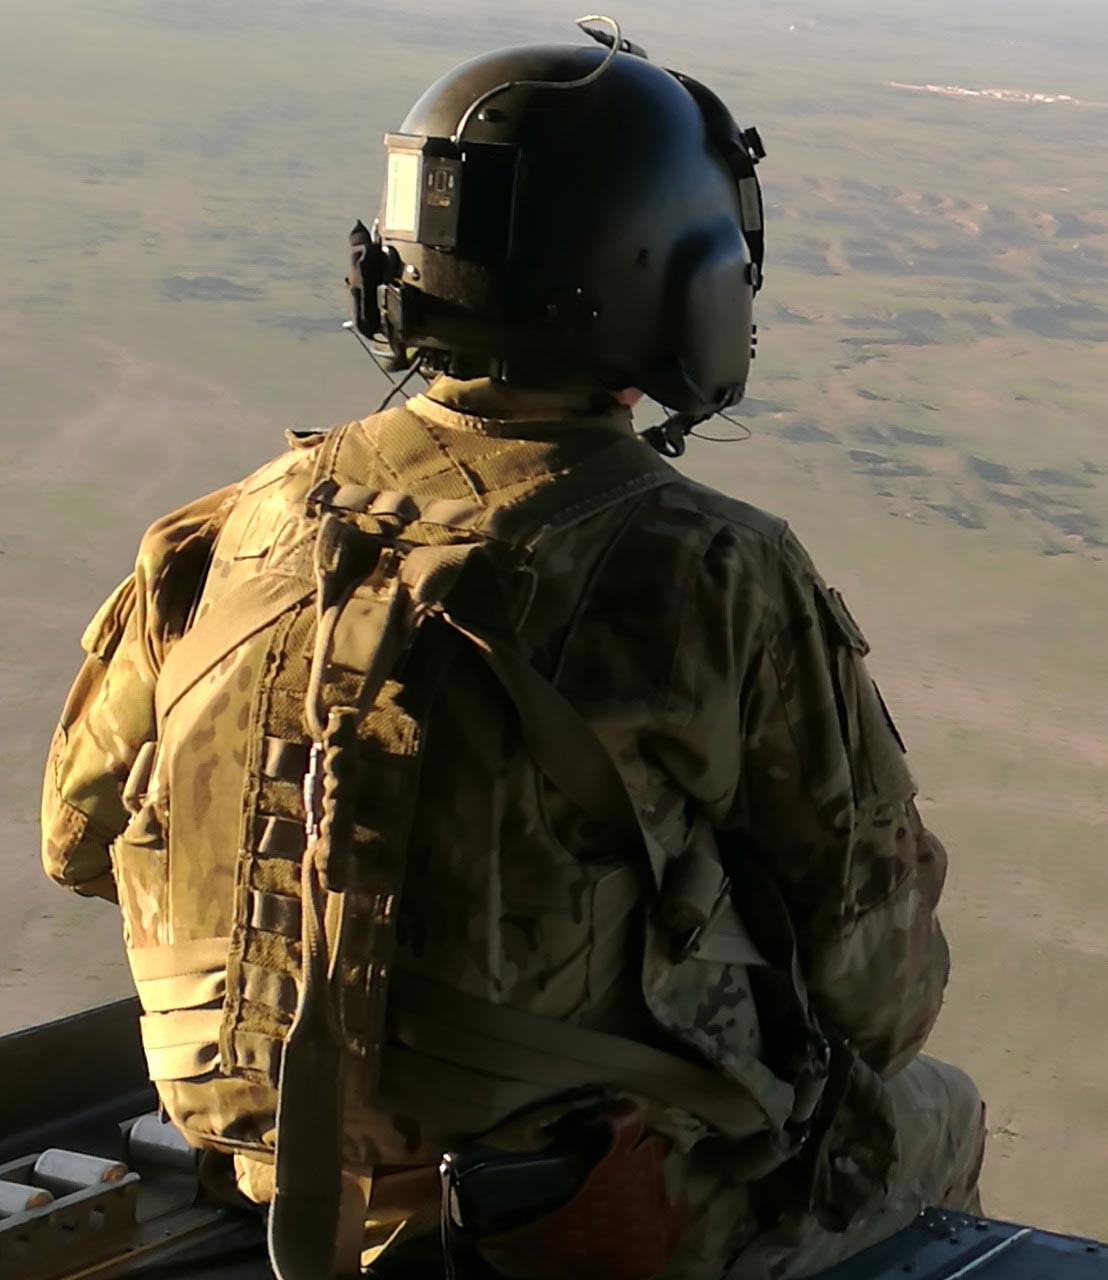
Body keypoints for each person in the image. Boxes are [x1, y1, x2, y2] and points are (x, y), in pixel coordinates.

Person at [38, 21, 984, 1280]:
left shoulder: (228, 526)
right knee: (939, 1111)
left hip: (278, 1170)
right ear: (678, 282)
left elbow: (76, 840)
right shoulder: (713, 566)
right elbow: (879, 988)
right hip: (573, 1214)